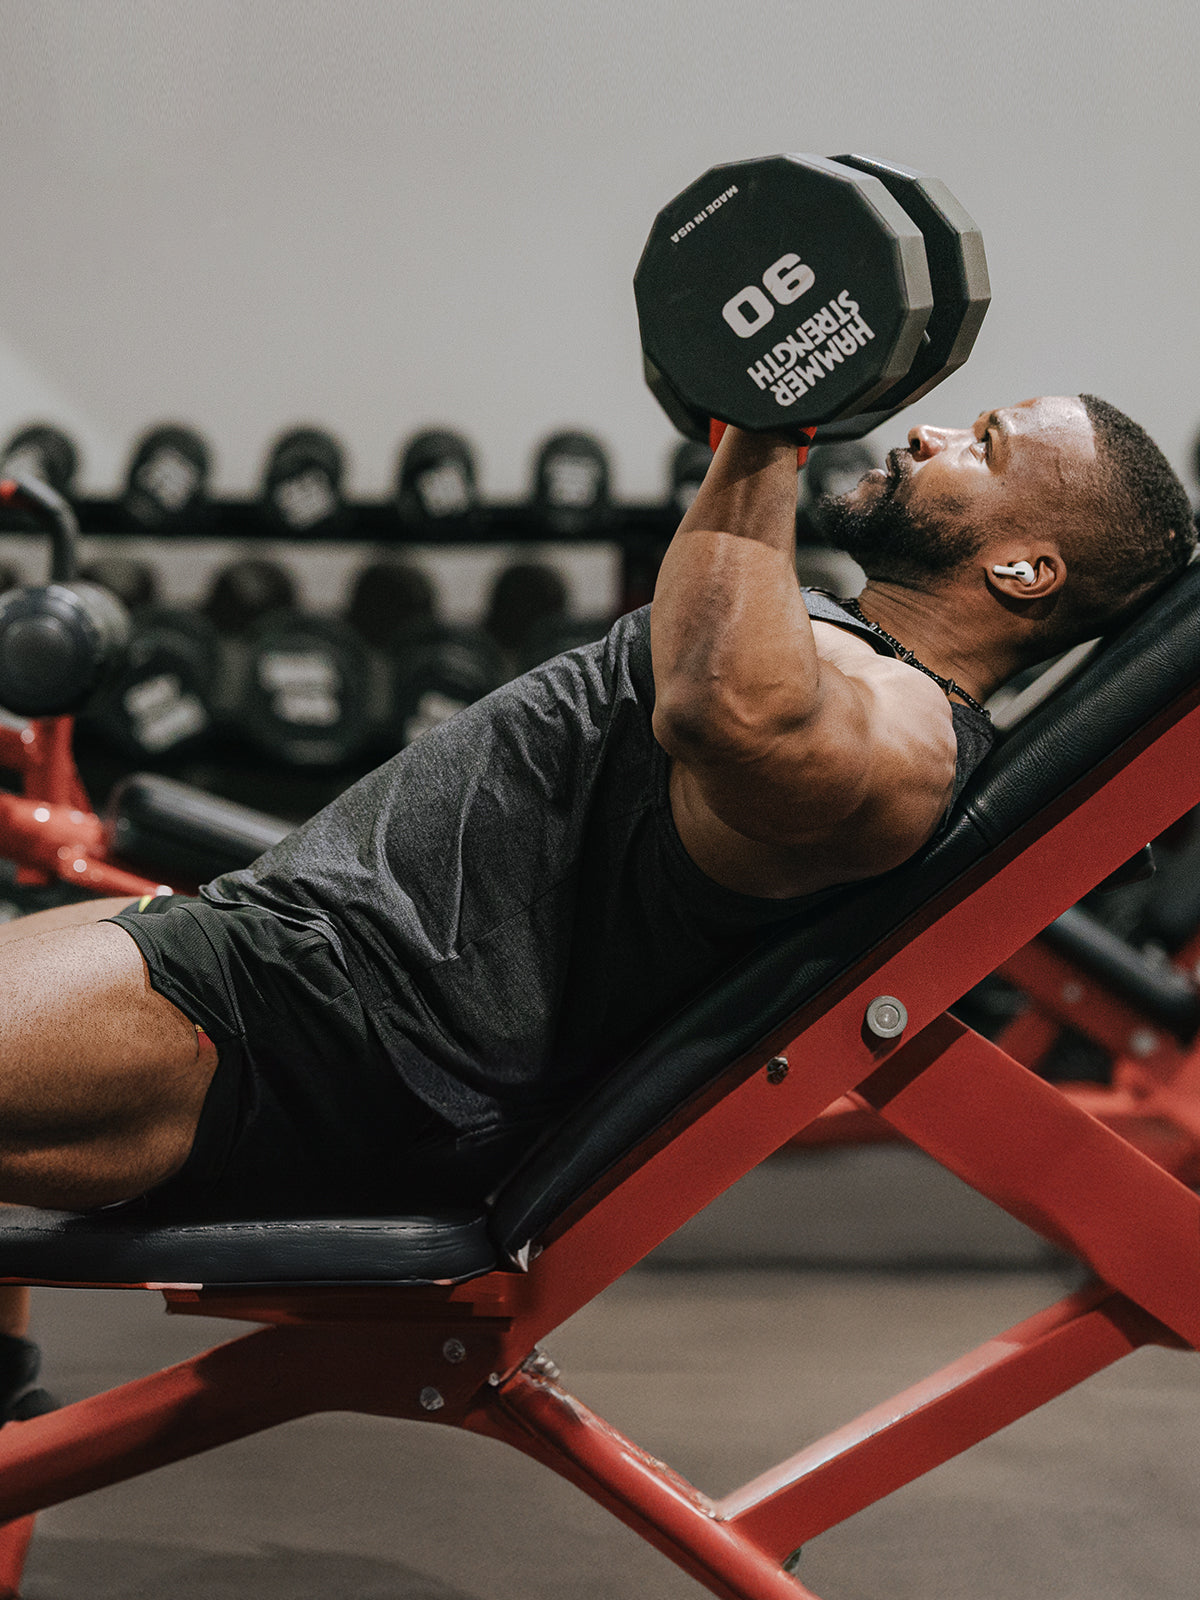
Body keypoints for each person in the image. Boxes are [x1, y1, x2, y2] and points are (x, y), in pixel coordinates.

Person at [0, 393, 1191, 1258]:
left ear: (1027, 571)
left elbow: (735, 714)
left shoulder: (910, 729)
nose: (930, 433)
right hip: (297, 986)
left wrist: (771, 426)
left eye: (979, 448)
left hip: (322, 1021)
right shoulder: (850, 653)